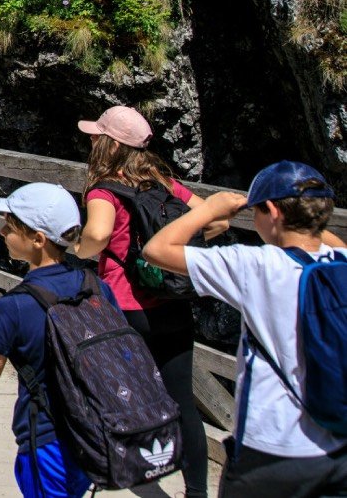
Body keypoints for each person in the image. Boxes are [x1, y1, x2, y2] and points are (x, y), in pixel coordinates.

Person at [142, 162, 347, 498]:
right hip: (337, 449)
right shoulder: (340, 261)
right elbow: (325, 239)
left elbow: (156, 250)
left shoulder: (256, 265)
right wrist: (306, 215)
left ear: (272, 211)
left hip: (272, 448)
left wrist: (209, 209)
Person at [70, 105, 214, 498]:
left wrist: (79, 248)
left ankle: (117, 470)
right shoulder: (163, 183)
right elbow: (213, 219)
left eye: (98, 135)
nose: (93, 140)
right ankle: (197, 492)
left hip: (124, 306)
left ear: (111, 144)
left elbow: (98, 235)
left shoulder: (104, 189)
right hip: (172, 302)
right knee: (182, 399)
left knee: (111, 392)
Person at [0, 183, 111, 498]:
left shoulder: (11, 307)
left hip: (46, 441)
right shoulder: (97, 287)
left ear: (38, 240)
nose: (2, 231)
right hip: (93, 434)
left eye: (10, 226)